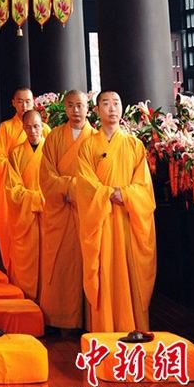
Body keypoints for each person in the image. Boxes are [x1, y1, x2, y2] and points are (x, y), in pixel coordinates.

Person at [76, 91, 156, 332]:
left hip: (127, 220)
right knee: (103, 273)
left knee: (130, 278)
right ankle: (104, 332)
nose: (112, 108)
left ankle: (135, 331)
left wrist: (127, 194)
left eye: (117, 103)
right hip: (101, 222)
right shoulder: (88, 146)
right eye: (106, 104)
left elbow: (144, 188)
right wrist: (108, 194)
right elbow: (85, 184)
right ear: (97, 110)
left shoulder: (134, 145)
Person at [38, 90, 94, 330]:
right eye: (70, 105)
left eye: (80, 105)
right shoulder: (54, 138)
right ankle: (60, 319)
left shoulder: (97, 139)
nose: (76, 110)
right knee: (60, 264)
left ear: (88, 108)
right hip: (60, 211)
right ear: (64, 108)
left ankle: (89, 320)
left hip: (88, 212)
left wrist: (79, 190)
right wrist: (70, 188)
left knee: (88, 264)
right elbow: (46, 175)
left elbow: (98, 179)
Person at [0, 87, 50, 271]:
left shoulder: (45, 128)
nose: (24, 105)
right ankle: (13, 268)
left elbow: (54, 158)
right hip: (17, 192)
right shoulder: (6, 128)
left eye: (28, 101)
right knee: (15, 236)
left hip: (43, 192)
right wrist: (17, 167)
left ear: (34, 102)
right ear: (13, 103)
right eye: (20, 101)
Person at [4, 110, 46, 300]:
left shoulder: (50, 150)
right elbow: (12, 189)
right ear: (23, 127)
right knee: (26, 258)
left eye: (36, 126)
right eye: (28, 127)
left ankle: (48, 302)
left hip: (49, 216)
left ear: (42, 125)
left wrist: (47, 200)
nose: (33, 131)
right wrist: (37, 199)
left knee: (48, 260)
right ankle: (24, 298)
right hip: (25, 216)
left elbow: (57, 183)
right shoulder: (16, 153)